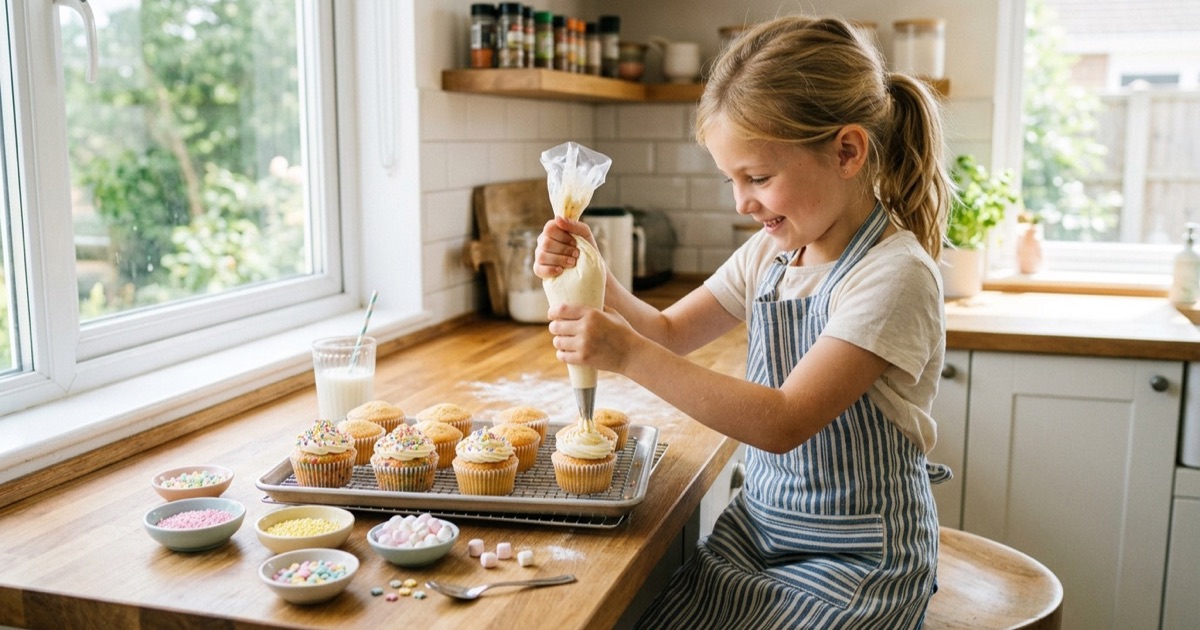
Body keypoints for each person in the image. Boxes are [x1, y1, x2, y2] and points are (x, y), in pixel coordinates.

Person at [535, 14, 953, 630]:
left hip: (859, 561)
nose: (741, 202)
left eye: (758, 178)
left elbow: (785, 420)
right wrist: (594, 270)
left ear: (846, 150)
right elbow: (670, 332)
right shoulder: (772, 253)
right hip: (757, 535)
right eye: (732, 180)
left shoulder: (893, 276)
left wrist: (626, 356)